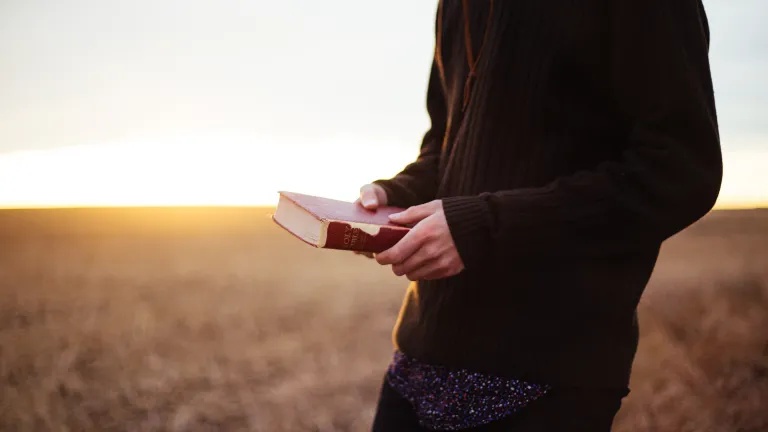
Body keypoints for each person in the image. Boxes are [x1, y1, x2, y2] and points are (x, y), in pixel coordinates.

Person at [357, 0, 722, 430]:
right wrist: (397, 194)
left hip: (546, 378)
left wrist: (484, 229)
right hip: (419, 361)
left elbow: (679, 171)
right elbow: (447, 144)